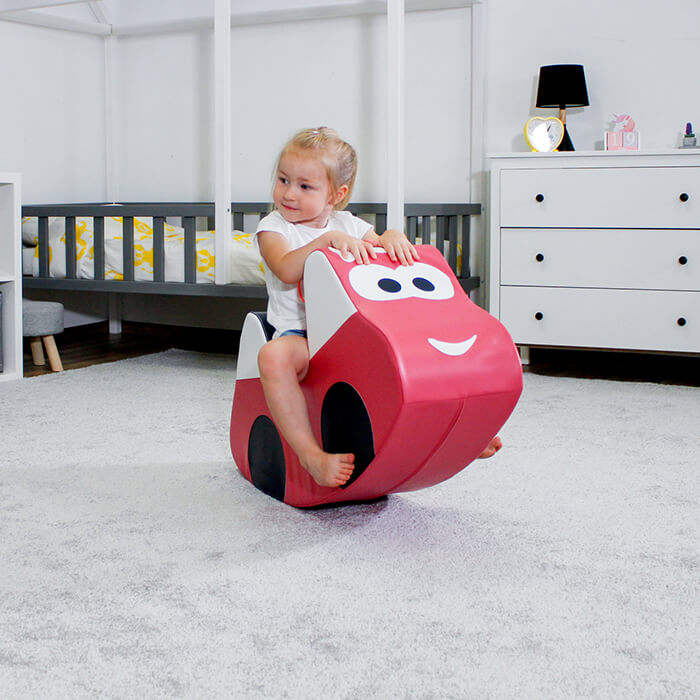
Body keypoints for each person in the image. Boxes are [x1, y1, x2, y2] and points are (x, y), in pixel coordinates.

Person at [255, 127, 500, 489]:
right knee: (272, 357)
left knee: (415, 355)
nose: (289, 193)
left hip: (353, 334)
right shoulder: (274, 228)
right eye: (283, 180)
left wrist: (393, 238)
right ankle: (311, 456)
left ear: (335, 196)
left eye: (305, 186)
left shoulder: (349, 223)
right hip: (302, 337)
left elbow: (381, 245)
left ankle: (454, 438)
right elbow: (286, 268)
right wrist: (327, 242)